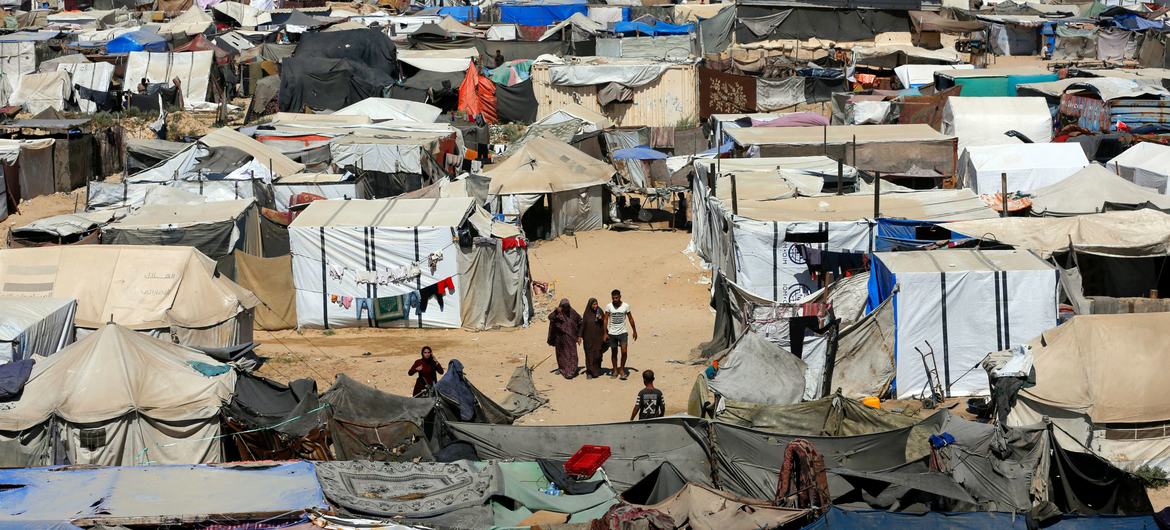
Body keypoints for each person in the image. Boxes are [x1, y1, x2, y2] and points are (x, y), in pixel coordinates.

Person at [603, 289, 637, 380]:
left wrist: (634, 330)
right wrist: (605, 333)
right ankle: (615, 370)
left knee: (624, 351)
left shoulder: (626, 306)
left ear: (620, 297)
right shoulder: (608, 306)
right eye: (613, 298)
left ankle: (621, 369)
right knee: (614, 352)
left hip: (623, 333)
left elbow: (630, 318)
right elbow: (605, 319)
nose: (615, 300)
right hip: (612, 333)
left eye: (616, 298)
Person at [547, 298, 582, 379]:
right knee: (561, 354)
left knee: (572, 353)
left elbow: (580, 321)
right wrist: (556, 311)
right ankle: (562, 369)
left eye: (567, 306)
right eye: (564, 306)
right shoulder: (558, 313)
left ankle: (572, 370)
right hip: (560, 337)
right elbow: (550, 317)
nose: (566, 308)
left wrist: (579, 335)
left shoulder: (572, 313)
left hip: (570, 337)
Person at [580, 298, 606, 379]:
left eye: (596, 304)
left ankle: (596, 370)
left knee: (598, 354)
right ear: (590, 305)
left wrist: (601, 319)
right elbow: (583, 325)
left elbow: (605, 322)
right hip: (588, 338)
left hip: (598, 337)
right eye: (594, 304)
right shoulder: (587, 313)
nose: (596, 306)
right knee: (589, 355)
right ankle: (589, 372)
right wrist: (579, 336)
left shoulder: (600, 311)